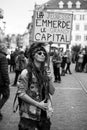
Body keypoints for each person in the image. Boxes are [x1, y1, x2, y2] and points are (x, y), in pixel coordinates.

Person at [16, 42, 55, 130]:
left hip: (44, 114)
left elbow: (52, 92)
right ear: (33, 55)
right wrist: (38, 104)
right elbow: (21, 93)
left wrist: (49, 79)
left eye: (44, 53)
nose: (43, 55)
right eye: (39, 53)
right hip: (29, 115)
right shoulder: (26, 73)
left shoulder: (45, 72)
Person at [0, 43, 10, 120]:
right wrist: (7, 81)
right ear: (2, 49)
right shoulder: (3, 57)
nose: (7, 49)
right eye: (6, 48)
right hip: (2, 82)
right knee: (6, 95)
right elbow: (4, 71)